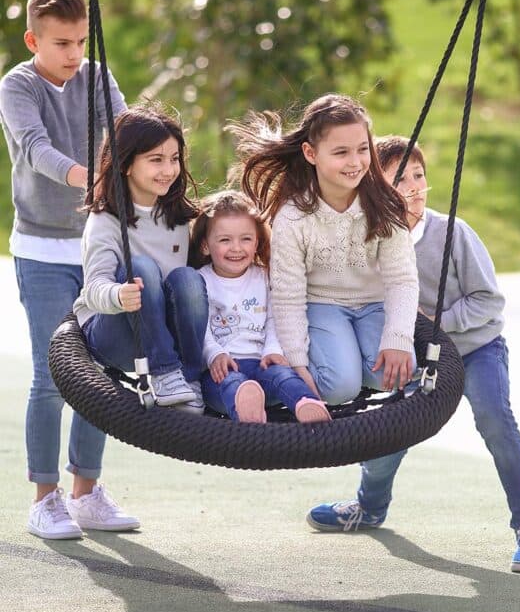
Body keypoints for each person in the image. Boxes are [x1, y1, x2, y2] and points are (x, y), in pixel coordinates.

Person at [307, 135, 520, 574]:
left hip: (476, 349)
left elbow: (488, 301)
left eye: (419, 176)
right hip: (421, 358)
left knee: (495, 420)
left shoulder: (451, 233)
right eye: (400, 180)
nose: (414, 187)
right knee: (390, 429)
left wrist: (435, 321)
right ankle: (369, 507)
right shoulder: (372, 239)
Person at [0, 0, 139, 540]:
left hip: (96, 246)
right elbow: (36, 150)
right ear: (34, 40)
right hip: (41, 250)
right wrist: (94, 178)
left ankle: (86, 494)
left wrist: (138, 162)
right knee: (52, 376)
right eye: (61, 43)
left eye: (81, 40)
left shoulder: (98, 76)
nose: (74, 53)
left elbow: (125, 131)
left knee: (98, 373)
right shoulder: (17, 85)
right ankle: (45, 500)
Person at [228, 94, 419, 412]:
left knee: (396, 372)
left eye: (362, 149)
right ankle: (285, 384)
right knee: (338, 387)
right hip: (323, 304)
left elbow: (402, 279)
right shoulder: (293, 217)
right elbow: (288, 294)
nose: (355, 162)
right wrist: (297, 362)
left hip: (374, 304)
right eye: (341, 152)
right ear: (310, 153)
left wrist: (397, 338)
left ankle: (352, 356)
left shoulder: (384, 206)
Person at [73, 104, 209, 419]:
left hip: (161, 331)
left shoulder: (177, 218)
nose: (168, 170)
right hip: (117, 334)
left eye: (174, 159)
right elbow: (94, 288)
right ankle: (164, 374)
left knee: (188, 278)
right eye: (156, 160)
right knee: (142, 268)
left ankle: (189, 376)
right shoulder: (106, 220)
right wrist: (119, 295)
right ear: (126, 165)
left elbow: (185, 294)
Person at [189, 189, 330, 423]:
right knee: (231, 383)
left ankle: (306, 404)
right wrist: (215, 354)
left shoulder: (264, 277)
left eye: (246, 239)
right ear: (205, 245)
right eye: (225, 240)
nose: (236, 248)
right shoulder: (200, 280)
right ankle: (247, 410)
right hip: (222, 368)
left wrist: (273, 350)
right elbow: (198, 328)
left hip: (262, 363)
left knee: (283, 376)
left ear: (257, 242)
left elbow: (275, 318)